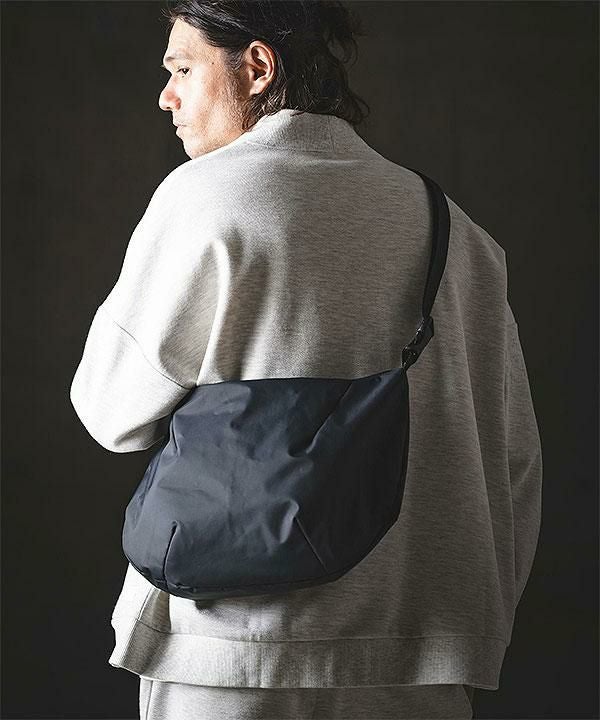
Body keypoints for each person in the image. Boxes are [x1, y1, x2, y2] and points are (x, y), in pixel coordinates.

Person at [69, 1, 543, 718]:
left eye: (183, 69)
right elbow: (516, 462)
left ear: (257, 67)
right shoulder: (461, 234)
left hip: (231, 651)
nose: (166, 96)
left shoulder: (204, 200)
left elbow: (110, 411)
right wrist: (466, 626)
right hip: (420, 661)